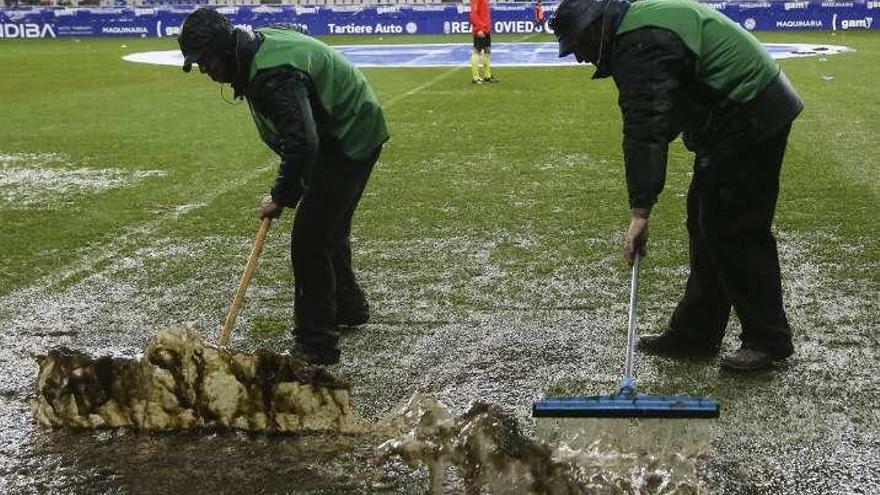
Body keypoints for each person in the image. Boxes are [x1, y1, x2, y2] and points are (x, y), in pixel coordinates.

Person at [549, 0, 803, 371]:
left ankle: (768, 339)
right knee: (705, 222)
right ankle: (696, 334)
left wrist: (640, 211)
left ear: (595, 27)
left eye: (578, 46)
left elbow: (646, 126)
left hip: (750, 111)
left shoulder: (639, 43)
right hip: (733, 116)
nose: (578, 58)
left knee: (734, 226)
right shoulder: (638, 30)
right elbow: (664, 112)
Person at [178, 8, 388, 365]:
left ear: (224, 50)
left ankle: (316, 344)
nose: (204, 69)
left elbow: (303, 143)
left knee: (308, 239)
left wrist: (280, 195)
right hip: (346, 127)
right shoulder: (256, 51)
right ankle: (348, 307)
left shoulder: (271, 76)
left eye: (206, 60)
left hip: (349, 135)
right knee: (327, 226)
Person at [470, 0, 498, 84]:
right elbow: (473, 14)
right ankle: (475, 77)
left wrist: (487, 27)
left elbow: (484, 13)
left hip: (486, 29)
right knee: (477, 51)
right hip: (480, 29)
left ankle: (487, 76)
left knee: (487, 51)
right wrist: (478, 29)